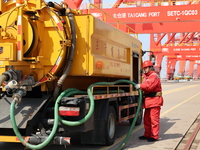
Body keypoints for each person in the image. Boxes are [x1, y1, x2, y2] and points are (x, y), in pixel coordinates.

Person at [135, 60, 163, 142]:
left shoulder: (153, 76)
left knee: (154, 120)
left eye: (146, 68)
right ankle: (147, 134)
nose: (145, 69)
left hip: (154, 101)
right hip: (148, 101)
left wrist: (140, 85)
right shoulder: (147, 76)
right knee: (147, 119)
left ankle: (154, 136)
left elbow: (149, 86)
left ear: (151, 67)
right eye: (144, 68)